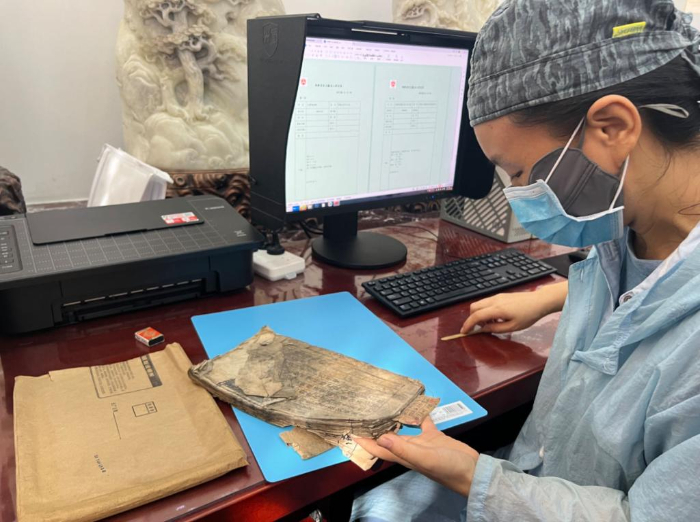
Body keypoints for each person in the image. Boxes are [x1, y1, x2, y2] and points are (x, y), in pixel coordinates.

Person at [351, 1, 700, 520]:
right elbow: (654, 293)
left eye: (517, 171)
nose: (517, 194)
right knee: (376, 506)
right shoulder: (629, 224)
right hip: (541, 472)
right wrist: (552, 296)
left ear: (612, 127)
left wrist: (472, 476)